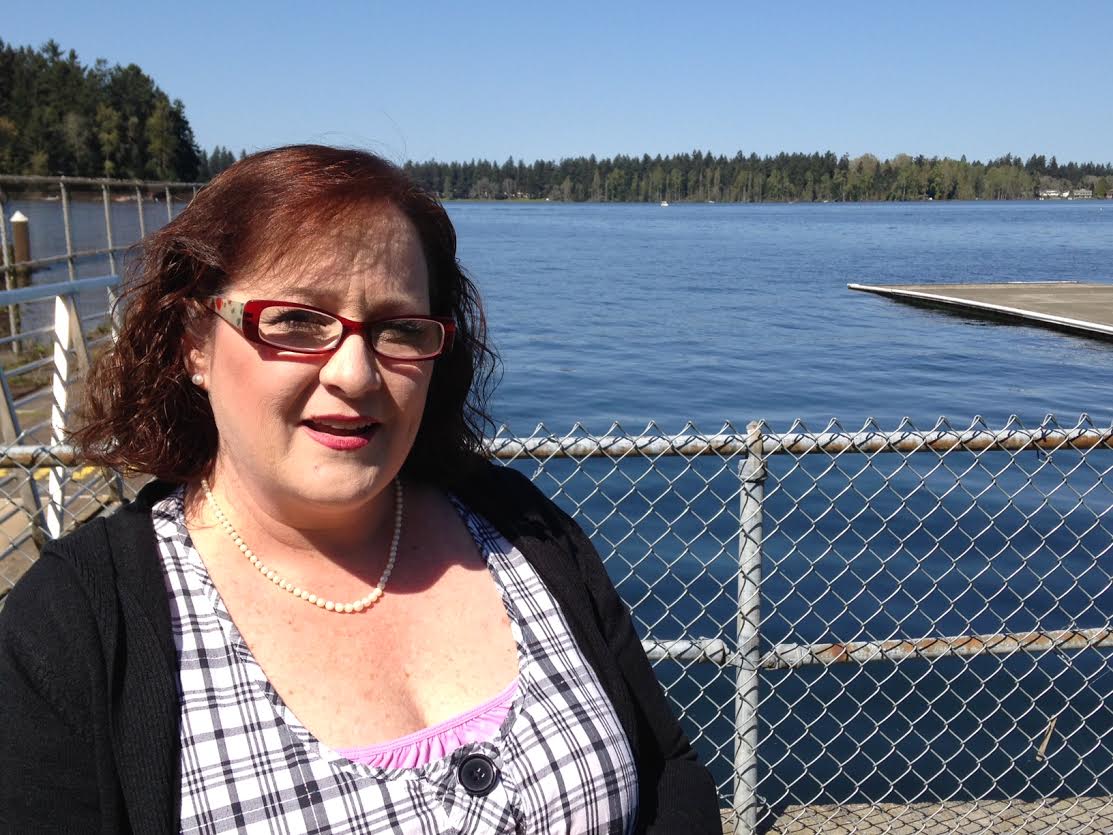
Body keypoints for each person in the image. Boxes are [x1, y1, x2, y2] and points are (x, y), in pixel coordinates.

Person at [0, 145, 719, 834]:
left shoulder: (523, 529)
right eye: (296, 320)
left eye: (398, 328)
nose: (354, 373)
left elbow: (667, 773)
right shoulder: (76, 628)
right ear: (195, 341)